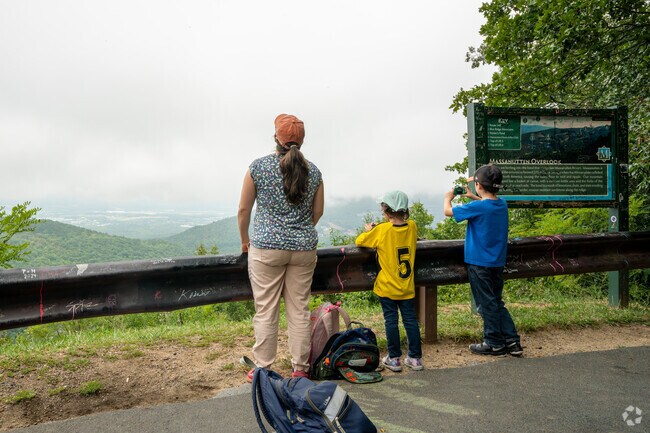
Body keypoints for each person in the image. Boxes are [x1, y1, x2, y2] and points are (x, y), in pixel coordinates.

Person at [238, 114, 324, 382]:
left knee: (266, 309)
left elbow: (243, 210)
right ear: (302, 140)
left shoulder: (258, 168)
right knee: (299, 309)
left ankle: (263, 368)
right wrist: (298, 232)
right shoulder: (314, 172)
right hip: (303, 250)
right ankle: (300, 369)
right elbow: (317, 212)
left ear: (276, 137)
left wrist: (245, 239)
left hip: (266, 249)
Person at [443, 164, 523, 357]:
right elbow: (487, 204)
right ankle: (512, 342)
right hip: (497, 262)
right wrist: (473, 196)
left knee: (486, 304)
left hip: (479, 263)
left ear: (478, 185)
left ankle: (494, 343)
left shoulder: (477, 207)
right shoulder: (501, 204)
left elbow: (448, 212)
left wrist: (448, 198)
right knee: (496, 301)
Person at [355, 191, 423, 372]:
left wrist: (370, 230)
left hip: (387, 287)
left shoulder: (382, 230)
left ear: (387, 211)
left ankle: (394, 358)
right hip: (406, 286)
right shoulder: (413, 226)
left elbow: (360, 241)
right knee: (410, 320)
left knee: (391, 321)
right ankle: (415, 359)